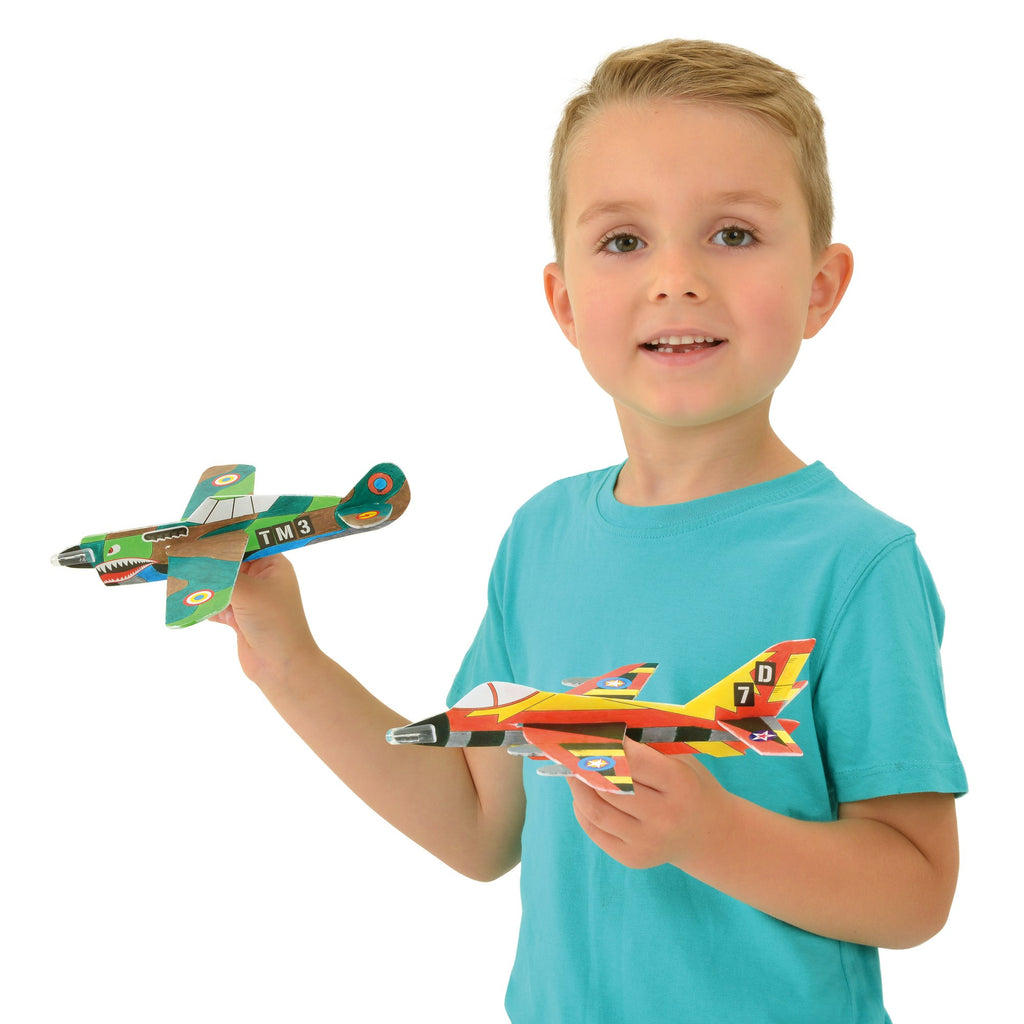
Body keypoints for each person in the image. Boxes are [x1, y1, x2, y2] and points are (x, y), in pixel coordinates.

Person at [215, 39, 966, 1023]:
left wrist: (708, 832)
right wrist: (285, 658)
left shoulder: (855, 563)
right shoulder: (541, 538)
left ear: (820, 287)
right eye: (623, 241)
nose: (676, 278)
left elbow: (916, 893)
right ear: (565, 303)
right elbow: (479, 825)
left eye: (732, 233)